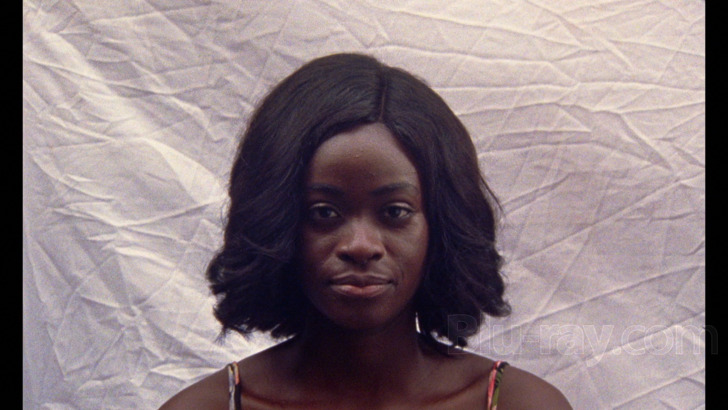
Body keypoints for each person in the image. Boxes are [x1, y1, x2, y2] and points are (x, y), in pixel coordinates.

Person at [160, 53, 571, 409]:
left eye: (394, 212)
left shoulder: (520, 404)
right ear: (275, 224)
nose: (361, 246)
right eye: (324, 213)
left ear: (443, 226)